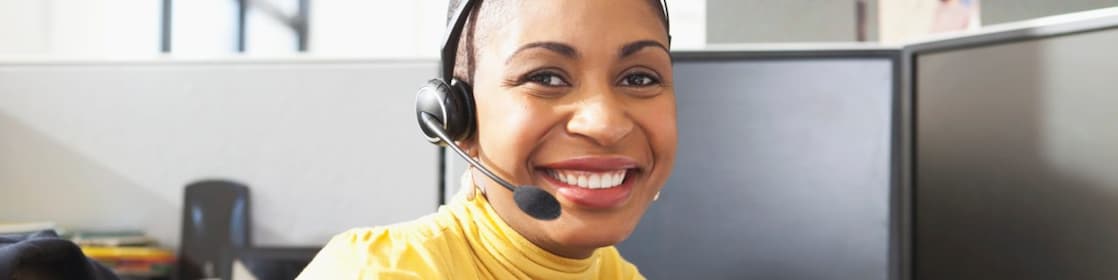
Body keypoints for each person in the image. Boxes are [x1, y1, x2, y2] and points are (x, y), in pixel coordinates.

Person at [297, 0, 675, 278]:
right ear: (458, 118)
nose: (605, 124)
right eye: (545, 78)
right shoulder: (376, 272)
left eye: (639, 79)